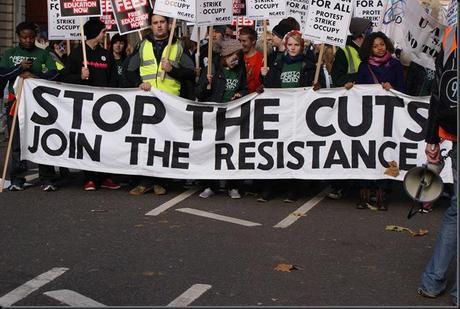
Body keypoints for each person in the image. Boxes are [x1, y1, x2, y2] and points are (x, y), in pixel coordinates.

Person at [125, 13, 195, 196]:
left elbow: (191, 72)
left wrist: (173, 70)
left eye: (162, 22)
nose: (159, 26)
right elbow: (129, 70)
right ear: (151, 25)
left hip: (169, 101)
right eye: (155, 23)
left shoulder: (178, 46)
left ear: (168, 24)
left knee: (165, 141)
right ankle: (145, 181)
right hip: (147, 101)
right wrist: (138, 83)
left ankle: (160, 181)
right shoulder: (142, 45)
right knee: (146, 141)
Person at [418, 25, 457, 307]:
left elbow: (438, 90)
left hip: (453, 128)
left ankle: (433, 281)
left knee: (456, 211)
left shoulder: (450, 34)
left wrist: (432, 138)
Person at [259, 30, 324, 202]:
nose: (293, 48)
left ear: (302, 47)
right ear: (285, 46)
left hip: (299, 114)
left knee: (295, 150)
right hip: (280, 113)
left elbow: (320, 88)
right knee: (276, 149)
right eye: (290, 45)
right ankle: (271, 186)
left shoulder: (309, 65)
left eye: (296, 45)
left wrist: (317, 85)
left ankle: (294, 188)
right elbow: (270, 86)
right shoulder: (277, 63)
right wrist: (263, 77)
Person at [60, 18, 121, 192]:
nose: (104, 34)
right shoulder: (78, 53)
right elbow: (64, 77)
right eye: (103, 31)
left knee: (105, 142)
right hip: (85, 107)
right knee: (88, 142)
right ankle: (90, 178)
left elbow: (114, 80)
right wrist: (79, 76)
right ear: (96, 33)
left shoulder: (106, 54)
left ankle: (105, 177)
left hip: (105, 107)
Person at [0, 21, 59, 192]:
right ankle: (17, 178)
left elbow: (53, 73)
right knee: (16, 142)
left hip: (39, 105)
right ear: (18, 37)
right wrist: (19, 69)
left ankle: (47, 177)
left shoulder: (43, 54)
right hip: (16, 103)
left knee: (42, 140)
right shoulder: (10, 54)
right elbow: (2, 74)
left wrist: (35, 75)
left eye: (31, 38)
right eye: (24, 37)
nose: (28, 41)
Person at [353, 31, 405, 210]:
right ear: (369, 49)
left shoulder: (396, 66)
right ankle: (365, 191)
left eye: (382, 44)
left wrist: (393, 88)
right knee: (367, 152)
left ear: (387, 44)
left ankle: (383, 191)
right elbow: (359, 91)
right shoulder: (363, 67)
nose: (379, 48)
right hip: (368, 117)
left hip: (389, 117)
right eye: (375, 46)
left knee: (387, 151)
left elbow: (403, 91)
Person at [195, 39, 248, 199]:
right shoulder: (211, 69)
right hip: (214, 117)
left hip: (233, 117)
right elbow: (199, 94)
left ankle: (234, 186)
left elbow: (244, 88)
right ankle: (210, 185)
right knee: (212, 151)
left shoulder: (240, 69)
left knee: (234, 151)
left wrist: (241, 94)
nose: (236, 59)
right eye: (233, 55)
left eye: (238, 55)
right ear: (225, 55)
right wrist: (206, 83)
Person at [328, 17, 373, 200]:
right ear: (361, 35)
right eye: (368, 31)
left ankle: (361, 182)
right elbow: (337, 78)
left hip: (365, 105)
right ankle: (339, 185)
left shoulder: (370, 51)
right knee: (345, 145)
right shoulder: (344, 51)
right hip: (348, 106)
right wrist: (356, 78)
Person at [239, 27, 263, 94]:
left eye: (244, 41)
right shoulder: (237, 57)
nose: (241, 44)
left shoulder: (262, 59)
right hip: (239, 98)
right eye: (239, 41)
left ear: (253, 41)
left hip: (255, 97)